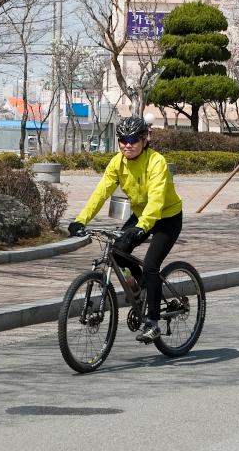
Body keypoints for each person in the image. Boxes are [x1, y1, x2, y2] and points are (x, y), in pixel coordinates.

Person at [67, 116, 183, 343]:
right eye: (122, 139)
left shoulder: (156, 162)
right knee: (118, 249)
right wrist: (81, 220)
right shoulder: (117, 162)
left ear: (144, 140)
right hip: (141, 215)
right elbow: (101, 192)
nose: (127, 145)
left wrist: (142, 227)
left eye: (132, 139)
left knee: (151, 266)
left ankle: (153, 322)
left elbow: (157, 199)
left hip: (167, 217)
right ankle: (140, 289)